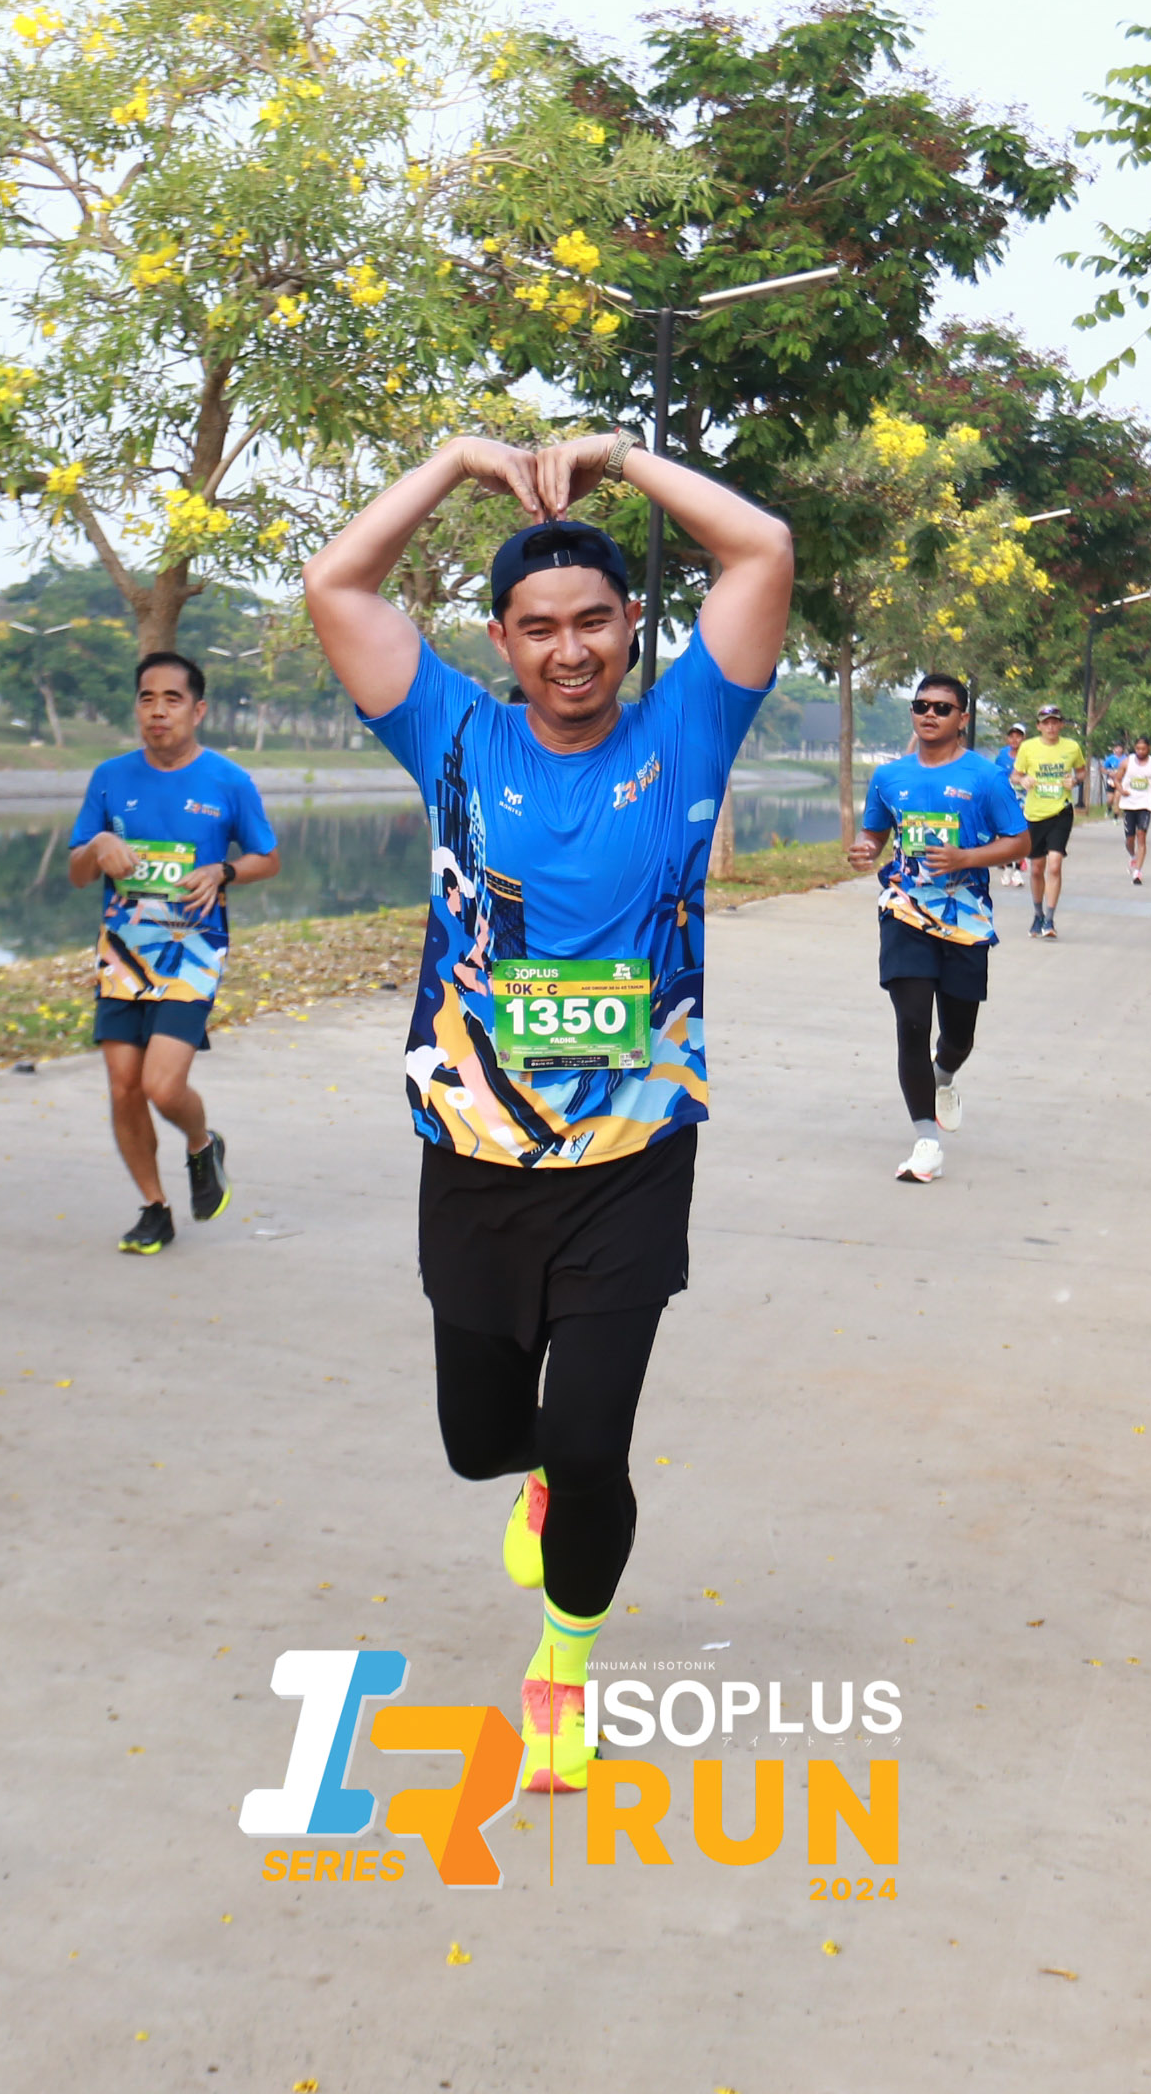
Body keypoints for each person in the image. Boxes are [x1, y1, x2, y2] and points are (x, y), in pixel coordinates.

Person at [304, 427, 789, 1802]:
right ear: (502, 641)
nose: (569, 650)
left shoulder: (689, 727)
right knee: (482, 1441)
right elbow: (338, 584)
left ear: (632, 623)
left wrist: (622, 460)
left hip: (633, 1151)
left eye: (593, 621)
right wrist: (456, 461)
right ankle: (536, 1484)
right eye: (538, 627)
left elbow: (760, 547)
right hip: (475, 1148)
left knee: (588, 1443)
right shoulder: (453, 735)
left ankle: (562, 1673)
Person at [67, 651, 283, 1254]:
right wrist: (99, 845)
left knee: (162, 1087)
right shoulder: (110, 777)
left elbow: (268, 858)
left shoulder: (228, 781)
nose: (158, 711)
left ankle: (201, 1143)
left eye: (172, 699)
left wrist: (223, 870)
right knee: (123, 1087)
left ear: (198, 710)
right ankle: (154, 1208)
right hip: (123, 953)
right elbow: (78, 872)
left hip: (192, 952)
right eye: (147, 698)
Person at [847, 671, 1030, 1182]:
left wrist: (965, 857)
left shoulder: (985, 777)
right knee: (911, 1024)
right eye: (921, 705)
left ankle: (944, 1074)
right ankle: (926, 1142)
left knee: (958, 1036)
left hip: (964, 915)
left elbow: (1019, 842)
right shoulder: (889, 777)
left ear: (962, 719)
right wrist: (866, 849)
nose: (929, 714)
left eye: (942, 708)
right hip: (905, 909)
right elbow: (875, 834)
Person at [1011, 706, 1087, 938]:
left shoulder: (1071, 747)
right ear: (1039, 726)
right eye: (1046, 723)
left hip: (1061, 811)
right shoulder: (1028, 747)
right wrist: (1023, 780)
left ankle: (1050, 920)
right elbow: (1015, 775)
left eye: (1055, 722)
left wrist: (1074, 781)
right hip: (1035, 814)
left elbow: (1082, 772)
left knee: (1055, 864)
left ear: (1061, 725)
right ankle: (1038, 914)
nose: (1051, 727)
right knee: (1037, 868)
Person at [1114, 737, 1151, 885]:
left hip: (1145, 804)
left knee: (1141, 836)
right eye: (1138, 749)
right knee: (1130, 839)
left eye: (1143, 749)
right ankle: (1133, 856)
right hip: (1129, 804)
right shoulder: (1126, 762)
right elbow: (1117, 779)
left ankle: (1137, 873)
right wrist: (1121, 790)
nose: (1140, 751)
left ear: (1149, 749)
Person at [991, 722, 1029, 890]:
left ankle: (1017, 870)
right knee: (1006, 834)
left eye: (1018, 736)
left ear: (1024, 738)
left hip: (1024, 798)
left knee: (1021, 833)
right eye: (1011, 736)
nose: (1015, 739)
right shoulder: (1002, 755)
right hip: (1005, 797)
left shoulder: (1028, 754)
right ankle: (1007, 869)